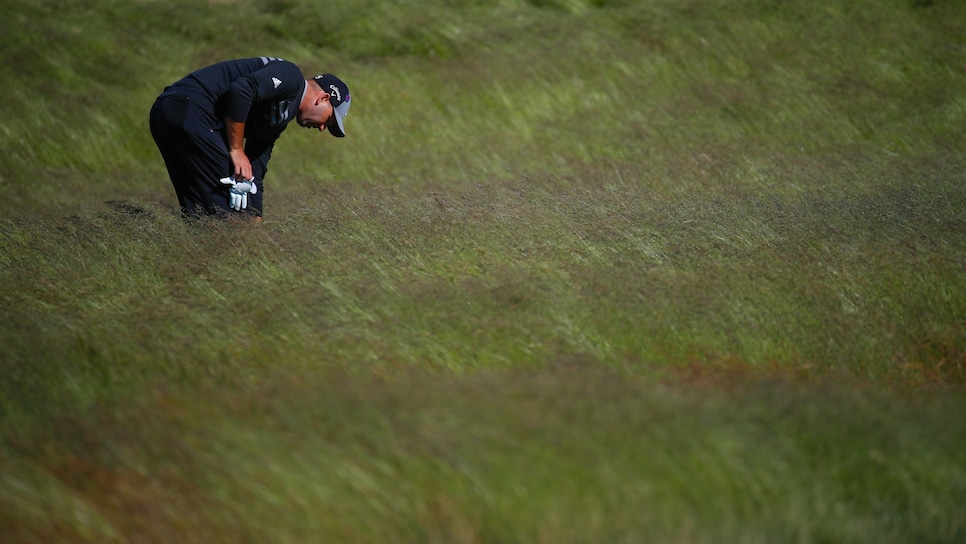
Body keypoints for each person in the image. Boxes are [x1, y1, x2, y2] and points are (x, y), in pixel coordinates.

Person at [149, 56, 350, 219]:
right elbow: (241, 90)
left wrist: (256, 219)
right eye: (329, 120)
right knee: (226, 210)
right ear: (323, 98)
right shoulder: (292, 77)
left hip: (166, 113)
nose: (323, 128)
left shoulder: (279, 117)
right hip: (191, 108)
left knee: (199, 210)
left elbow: (255, 171)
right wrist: (236, 150)